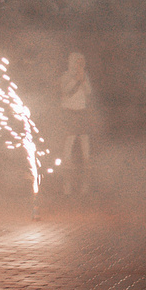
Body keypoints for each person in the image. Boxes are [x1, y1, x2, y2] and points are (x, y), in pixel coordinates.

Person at [56, 51, 95, 195]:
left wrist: (83, 80)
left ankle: (86, 159)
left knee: (84, 135)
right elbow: (66, 91)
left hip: (81, 109)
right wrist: (76, 79)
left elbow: (89, 91)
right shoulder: (66, 75)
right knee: (71, 135)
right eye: (77, 62)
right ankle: (67, 160)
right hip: (69, 109)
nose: (80, 65)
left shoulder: (84, 75)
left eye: (82, 62)